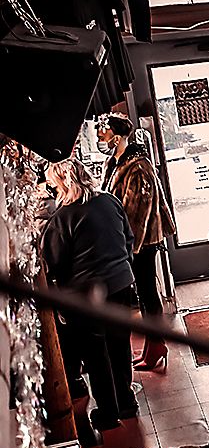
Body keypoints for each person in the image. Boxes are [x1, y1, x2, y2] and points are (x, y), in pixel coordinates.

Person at [42, 157, 139, 430]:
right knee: (119, 346)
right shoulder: (110, 201)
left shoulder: (63, 218)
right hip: (121, 283)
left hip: (87, 296)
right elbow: (128, 239)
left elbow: (54, 263)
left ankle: (108, 413)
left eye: (53, 185)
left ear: (63, 184)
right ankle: (126, 402)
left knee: (96, 355)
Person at [97, 112, 176, 372]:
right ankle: (153, 347)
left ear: (118, 136)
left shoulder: (139, 167)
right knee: (144, 294)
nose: (100, 136)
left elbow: (138, 213)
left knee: (148, 294)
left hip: (141, 241)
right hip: (127, 239)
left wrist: (128, 247)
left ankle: (156, 346)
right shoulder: (114, 162)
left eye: (104, 132)